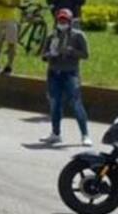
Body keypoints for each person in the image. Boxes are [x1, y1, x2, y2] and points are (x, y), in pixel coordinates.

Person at [38, 8, 91, 146]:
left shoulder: (78, 36)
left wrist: (71, 51)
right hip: (54, 72)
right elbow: (43, 55)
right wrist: (50, 54)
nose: (62, 22)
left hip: (70, 73)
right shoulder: (52, 36)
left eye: (65, 20)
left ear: (70, 21)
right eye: (60, 20)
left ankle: (85, 134)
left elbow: (85, 55)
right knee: (55, 103)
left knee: (76, 103)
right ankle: (55, 133)